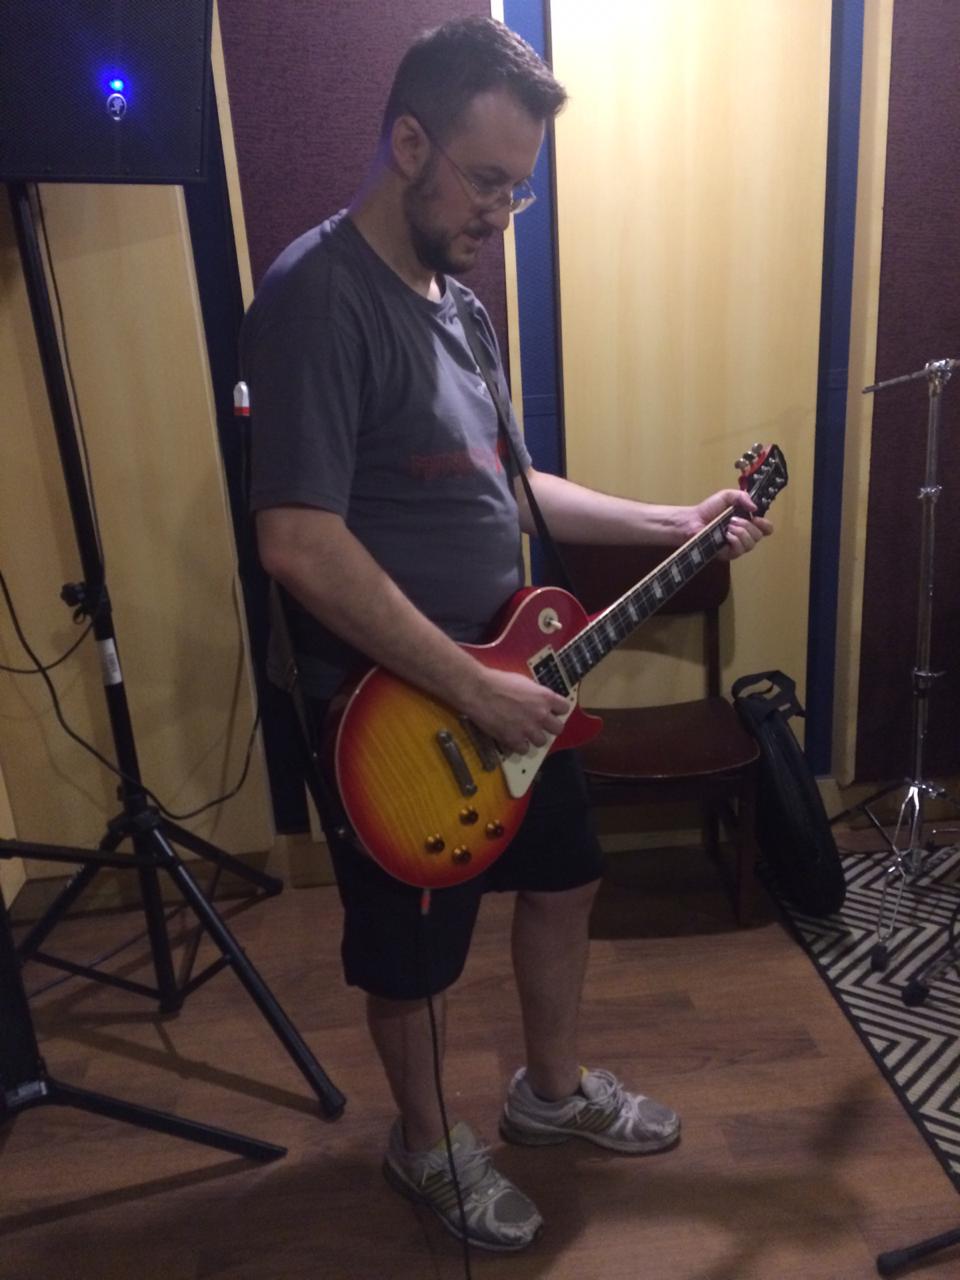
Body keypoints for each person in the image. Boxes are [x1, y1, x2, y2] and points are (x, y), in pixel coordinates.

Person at [243, 15, 772, 1255]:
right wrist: (470, 692)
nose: (501, 213)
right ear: (408, 144)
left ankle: (549, 1092)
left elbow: (513, 483)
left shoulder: (462, 306)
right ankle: (425, 1143)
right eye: (486, 182)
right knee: (416, 955)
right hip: (392, 704)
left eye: (519, 190)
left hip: (512, 668)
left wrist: (674, 521)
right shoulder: (317, 296)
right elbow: (298, 541)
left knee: (565, 876)